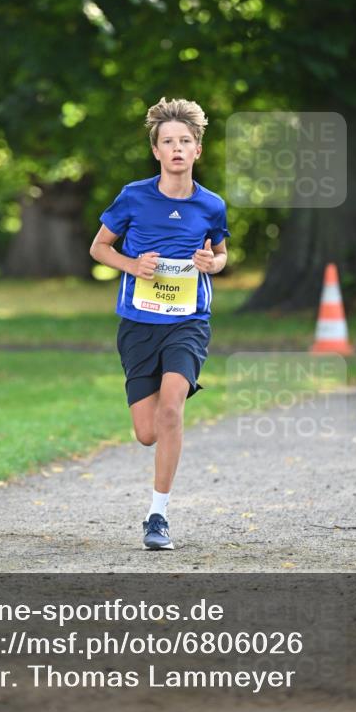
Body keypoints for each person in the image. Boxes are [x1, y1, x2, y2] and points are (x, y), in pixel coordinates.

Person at [89, 97, 229, 550]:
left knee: (172, 409)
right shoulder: (133, 196)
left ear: (197, 150)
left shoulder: (211, 205)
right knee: (148, 432)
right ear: (155, 150)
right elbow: (99, 248)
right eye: (168, 141)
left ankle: (158, 516)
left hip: (189, 322)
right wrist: (133, 265)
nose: (176, 149)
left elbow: (221, 255)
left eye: (185, 141)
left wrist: (213, 262)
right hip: (138, 323)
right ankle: (156, 502)